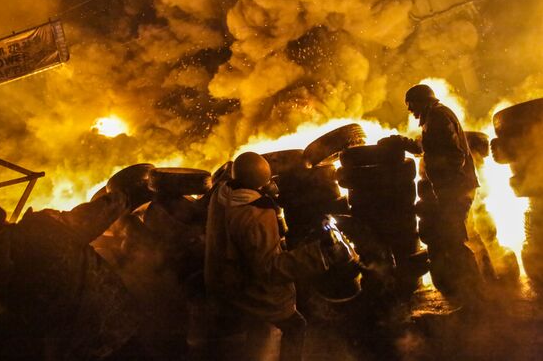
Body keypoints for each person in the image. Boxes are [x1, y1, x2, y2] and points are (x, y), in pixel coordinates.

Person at [204, 152, 354, 361]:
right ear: (261, 184)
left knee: (255, 332)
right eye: (268, 183)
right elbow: (269, 268)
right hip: (246, 289)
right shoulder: (255, 215)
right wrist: (321, 254)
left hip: (221, 277)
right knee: (295, 325)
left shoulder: (221, 195)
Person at [0, 191, 143, 360]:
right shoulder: (43, 227)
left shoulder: (2, 288)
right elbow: (105, 209)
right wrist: (121, 196)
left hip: (81, 348)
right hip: (115, 323)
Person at [379, 84, 482, 305]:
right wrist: (402, 142)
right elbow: (427, 147)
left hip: (455, 190)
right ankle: (473, 293)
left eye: (411, 105)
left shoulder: (438, 117)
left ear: (421, 100)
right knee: (453, 237)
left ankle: (476, 297)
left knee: (454, 241)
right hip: (454, 189)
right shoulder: (434, 117)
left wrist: (447, 190)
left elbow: (454, 155)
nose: (410, 110)